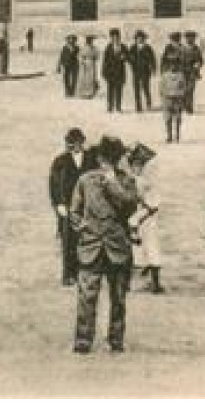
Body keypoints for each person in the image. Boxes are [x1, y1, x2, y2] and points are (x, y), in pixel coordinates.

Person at [69, 136, 139, 354]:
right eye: (104, 157)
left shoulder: (126, 180)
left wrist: (113, 184)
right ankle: (83, 339)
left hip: (117, 246)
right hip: (90, 246)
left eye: (113, 158)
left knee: (118, 296)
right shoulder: (85, 180)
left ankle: (116, 339)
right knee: (87, 295)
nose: (107, 162)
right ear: (98, 157)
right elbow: (74, 211)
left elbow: (130, 206)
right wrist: (81, 227)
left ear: (118, 159)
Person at [47, 128, 92, 286]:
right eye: (71, 143)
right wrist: (58, 204)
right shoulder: (60, 161)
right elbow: (53, 185)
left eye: (78, 143)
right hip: (67, 206)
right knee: (68, 241)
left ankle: (83, 272)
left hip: (87, 206)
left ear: (82, 142)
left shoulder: (91, 159)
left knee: (86, 239)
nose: (75, 146)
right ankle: (68, 274)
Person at [126, 143, 165, 293]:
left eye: (140, 164)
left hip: (148, 218)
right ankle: (128, 282)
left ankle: (155, 282)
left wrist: (140, 216)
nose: (137, 167)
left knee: (152, 248)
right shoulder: (129, 179)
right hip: (133, 216)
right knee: (132, 250)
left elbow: (154, 203)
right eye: (135, 164)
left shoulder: (148, 181)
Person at [129, 31, 157, 112]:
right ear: (136, 39)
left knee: (146, 87)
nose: (140, 39)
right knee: (136, 89)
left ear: (144, 39)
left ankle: (148, 104)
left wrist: (153, 68)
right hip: (136, 71)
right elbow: (130, 58)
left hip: (145, 71)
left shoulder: (148, 48)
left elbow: (152, 59)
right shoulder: (133, 48)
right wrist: (132, 60)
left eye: (141, 38)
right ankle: (138, 106)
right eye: (138, 38)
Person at [102, 30, 128, 113]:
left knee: (119, 90)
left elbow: (128, 56)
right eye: (113, 37)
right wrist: (104, 71)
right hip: (111, 72)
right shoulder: (108, 47)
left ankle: (118, 107)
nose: (115, 38)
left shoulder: (123, 46)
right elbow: (105, 60)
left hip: (120, 72)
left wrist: (124, 57)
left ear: (119, 37)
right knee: (110, 90)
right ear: (111, 38)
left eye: (117, 37)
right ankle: (110, 106)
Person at [183, 31, 205, 114]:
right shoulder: (182, 48)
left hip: (193, 72)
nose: (190, 40)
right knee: (184, 90)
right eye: (188, 38)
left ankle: (189, 107)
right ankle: (185, 105)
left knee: (191, 90)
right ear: (186, 39)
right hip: (183, 72)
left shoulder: (196, 48)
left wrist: (198, 64)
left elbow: (201, 60)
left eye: (192, 38)